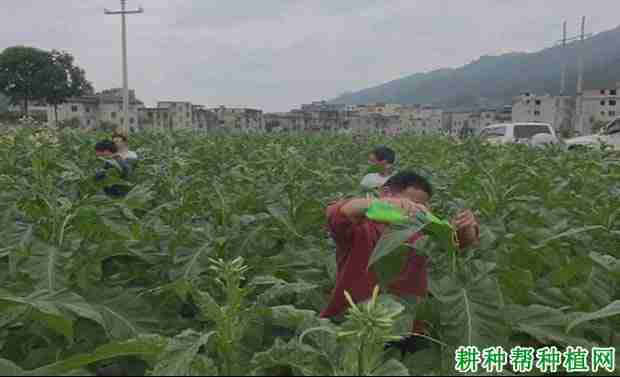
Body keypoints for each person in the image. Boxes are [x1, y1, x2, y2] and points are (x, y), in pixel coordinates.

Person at [321, 171, 480, 353]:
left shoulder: (421, 234)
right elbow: (338, 213)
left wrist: (467, 227)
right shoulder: (360, 229)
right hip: (357, 322)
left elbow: (459, 243)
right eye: (411, 203)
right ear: (385, 193)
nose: (417, 211)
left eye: (423, 206)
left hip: (408, 328)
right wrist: (382, 204)